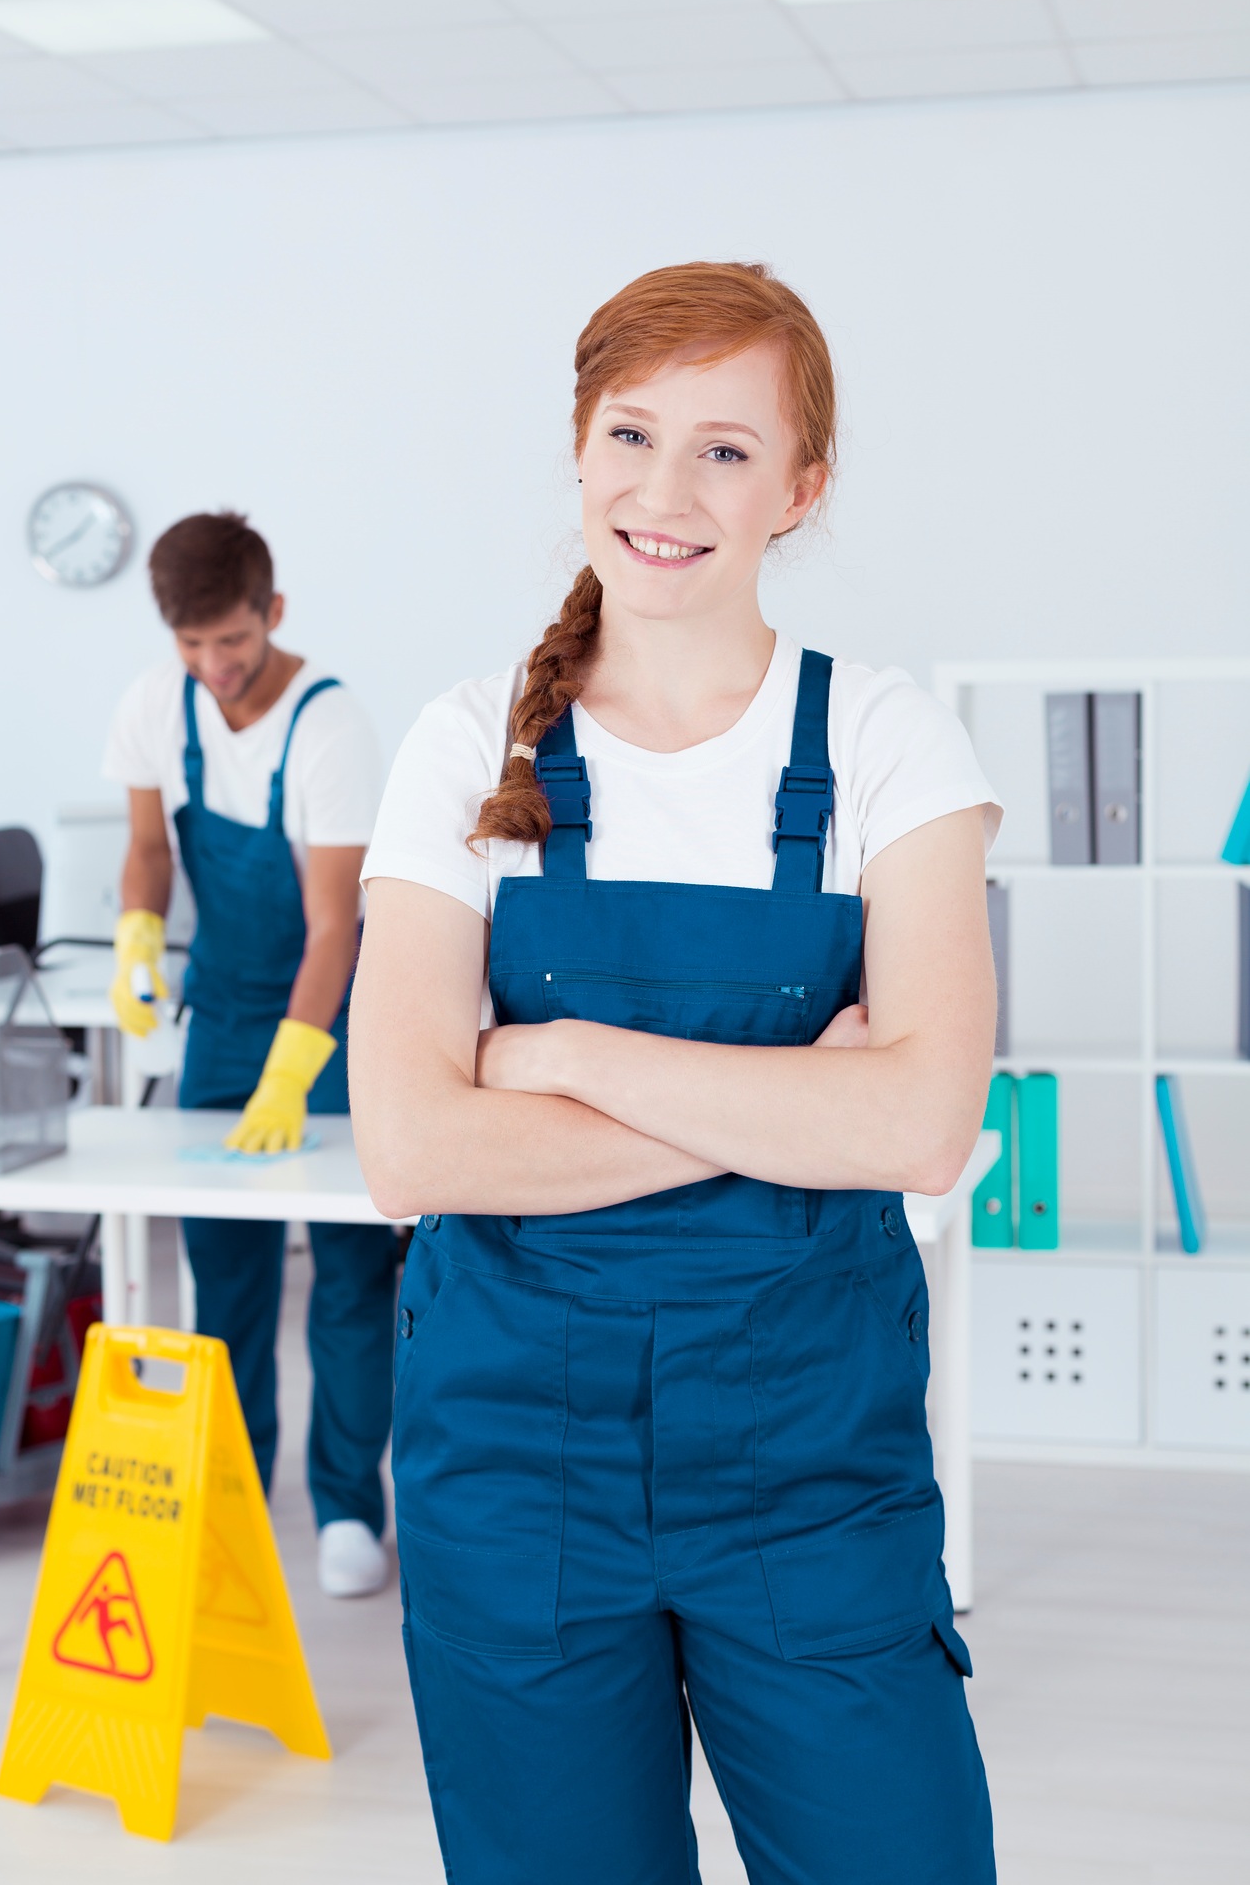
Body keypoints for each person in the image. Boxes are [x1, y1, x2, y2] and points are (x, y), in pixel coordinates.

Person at [352, 263, 1002, 1882]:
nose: (664, 490)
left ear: (801, 488)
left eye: (724, 448)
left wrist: (557, 1059)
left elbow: (920, 1124)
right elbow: (416, 1152)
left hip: (810, 1462)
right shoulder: (461, 748)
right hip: (511, 1471)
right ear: (576, 450)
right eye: (630, 433)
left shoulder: (885, 746)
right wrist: (791, 1105)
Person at [104, 510, 394, 1598]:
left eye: (230, 639)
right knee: (223, 1276)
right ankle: (228, 1503)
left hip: (333, 1022)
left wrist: (294, 1068)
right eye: (190, 646)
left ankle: (349, 1509)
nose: (213, 666)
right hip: (222, 1018)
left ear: (272, 613)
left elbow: (336, 926)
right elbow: (144, 848)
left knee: (351, 1277)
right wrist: (139, 933)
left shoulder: (331, 726)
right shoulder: (155, 703)